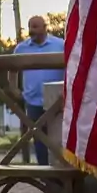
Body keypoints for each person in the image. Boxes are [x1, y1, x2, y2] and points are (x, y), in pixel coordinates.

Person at [12, 15, 66, 166]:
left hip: (58, 101)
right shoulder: (21, 48)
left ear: (44, 27)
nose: (31, 31)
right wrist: (14, 88)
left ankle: (62, 172)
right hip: (33, 102)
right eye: (30, 27)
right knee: (39, 139)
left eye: (35, 27)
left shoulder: (60, 45)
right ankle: (45, 173)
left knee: (60, 138)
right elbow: (12, 69)